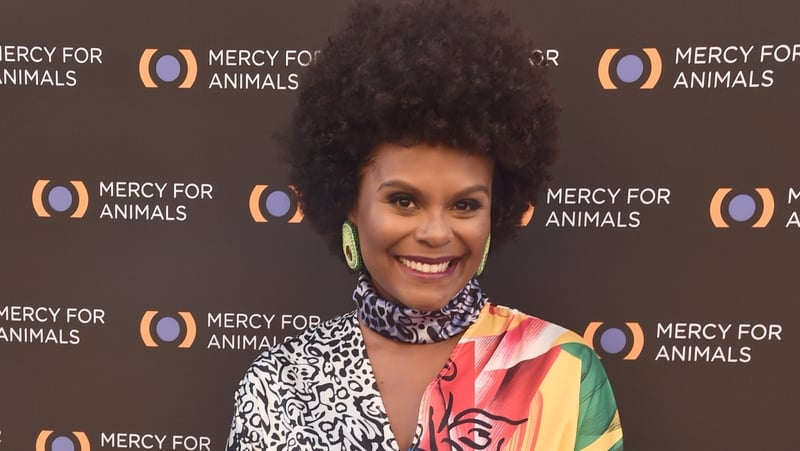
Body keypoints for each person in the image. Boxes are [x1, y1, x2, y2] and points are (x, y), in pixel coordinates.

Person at [226, 0, 623, 449]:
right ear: (350, 203)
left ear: (497, 211)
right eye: (403, 200)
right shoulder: (278, 386)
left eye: (465, 206)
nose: (436, 233)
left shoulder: (561, 370)